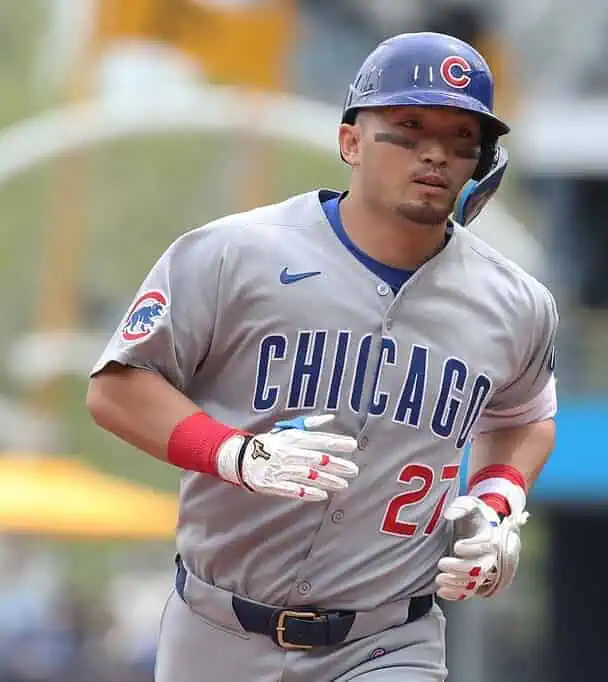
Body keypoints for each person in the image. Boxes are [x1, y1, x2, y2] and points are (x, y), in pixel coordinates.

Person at [85, 31, 558, 682]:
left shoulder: (515, 302)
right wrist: (236, 454)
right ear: (350, 142)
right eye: (409, 129)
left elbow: (526, 415)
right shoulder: (234, 253)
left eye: (460, 139)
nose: (436, 154)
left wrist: (497, 504)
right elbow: (117, 387)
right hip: (215, 629)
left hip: (387, 639)